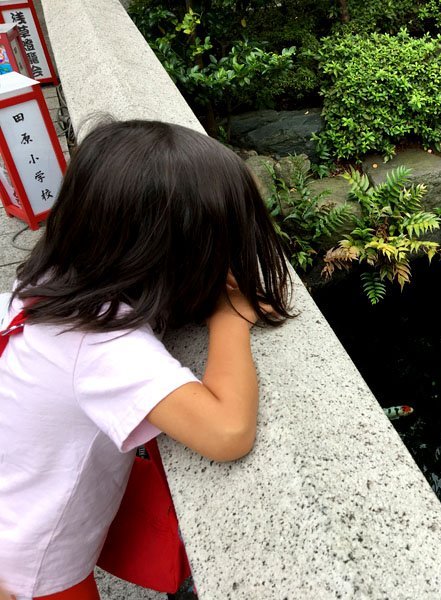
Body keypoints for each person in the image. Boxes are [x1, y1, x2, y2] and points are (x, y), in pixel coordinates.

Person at [0, 120, 292, 599]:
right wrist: (231, 318)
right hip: (30, 575)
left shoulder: (55, 277)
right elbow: (226, 432)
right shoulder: (99, 347)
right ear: (175, 256)